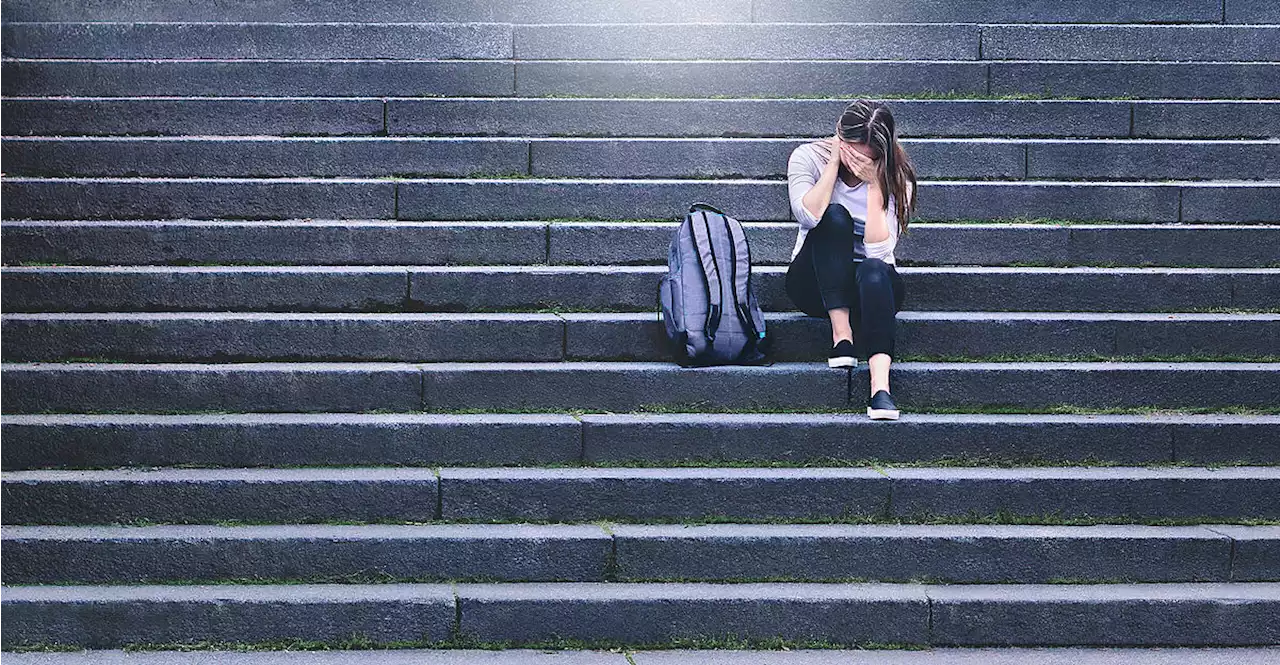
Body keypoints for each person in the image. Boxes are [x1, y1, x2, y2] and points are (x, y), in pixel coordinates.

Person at [784, 99, 919, 420]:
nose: (857, 161)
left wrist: (875, 186)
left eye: (867, 156)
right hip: (814, 283)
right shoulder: (808, 157)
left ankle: (880, 389)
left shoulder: (898, 178)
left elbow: (879, 253)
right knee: (833, 216)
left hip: (870, 287)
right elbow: (807, 214)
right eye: (851, 149)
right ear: (839, 137)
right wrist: (832, 165)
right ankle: (841, 337)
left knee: (874, 269)